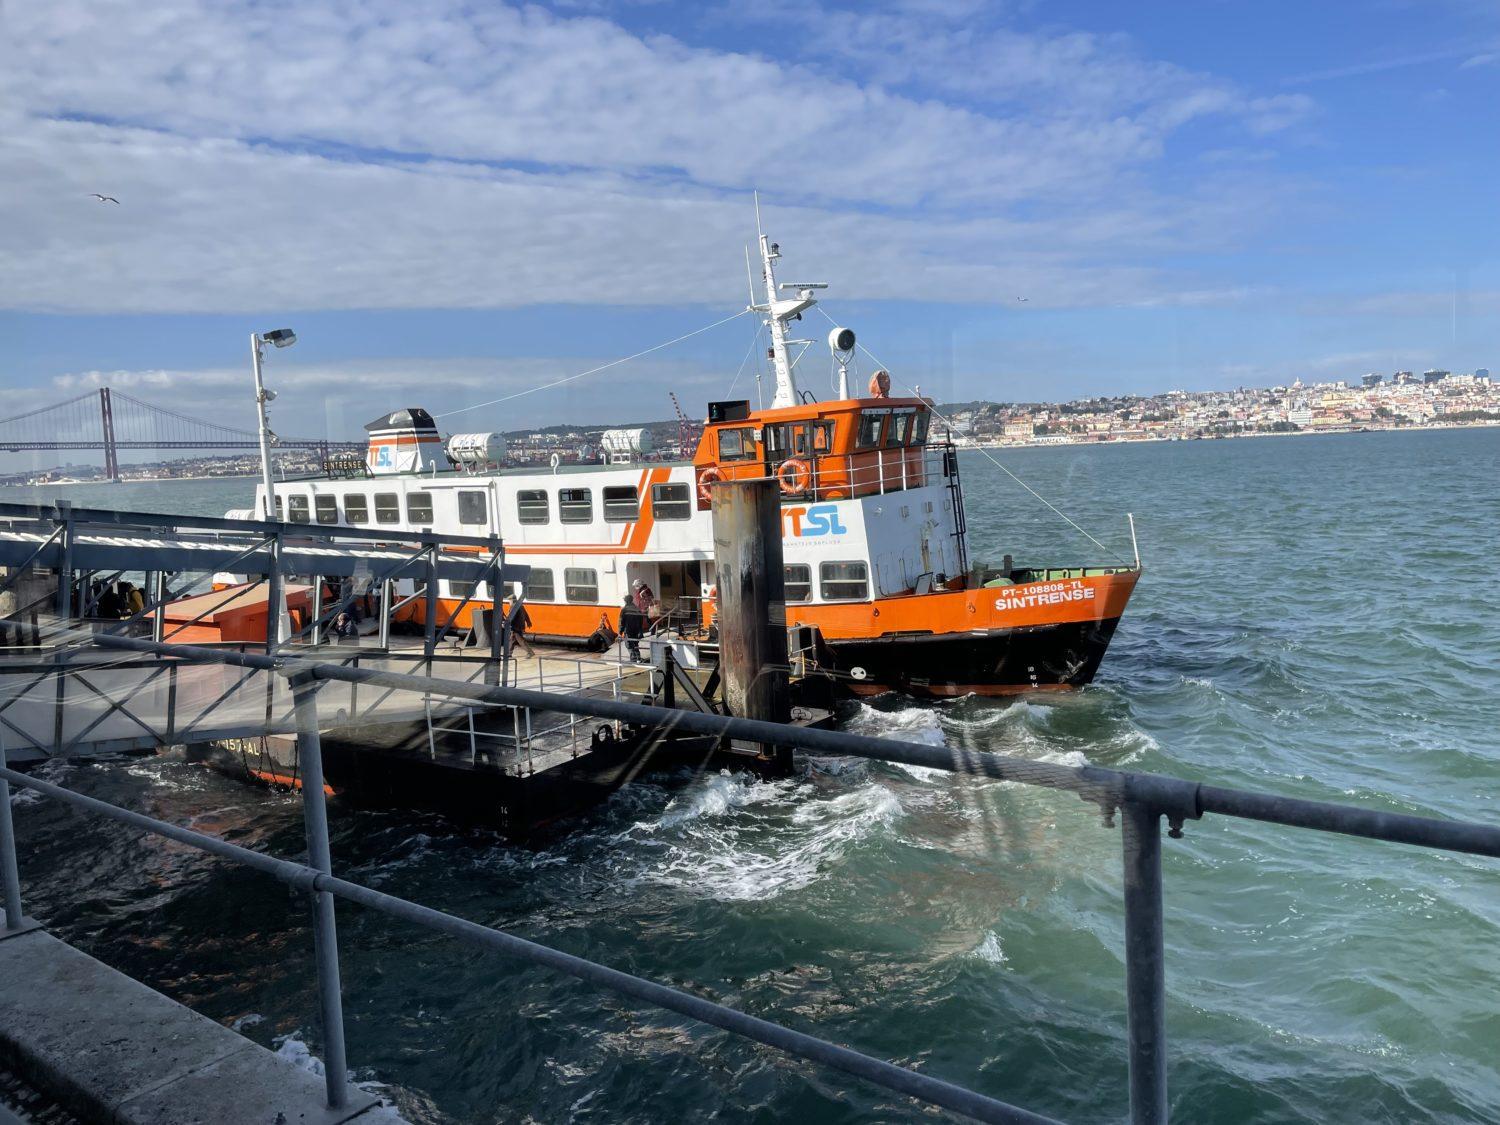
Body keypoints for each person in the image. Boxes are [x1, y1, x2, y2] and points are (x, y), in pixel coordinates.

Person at [618, 594, 645, 662]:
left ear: (626, 601)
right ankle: (638, 658)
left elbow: (621, 622)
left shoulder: (624, 610)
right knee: (635, 644)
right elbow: (641, 620)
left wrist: (619, 632)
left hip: (628, 630)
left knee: (629, 645)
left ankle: (633, 660)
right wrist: (640, 630)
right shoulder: (637, 608)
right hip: (636, 630)